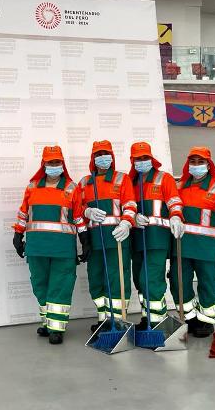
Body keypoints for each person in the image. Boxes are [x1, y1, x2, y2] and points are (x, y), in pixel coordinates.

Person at [12, 145, 90, 345]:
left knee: (60, 287)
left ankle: (57, 328)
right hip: (36, 248)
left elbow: (78, 217)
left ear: (62, 164)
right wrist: (17, 234)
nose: (54, 165)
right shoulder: (32, 187)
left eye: (57, 162)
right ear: (44, 164)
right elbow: (23, 213)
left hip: (62, 249)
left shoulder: (71, 188)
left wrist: (85, 239)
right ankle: (48, 323)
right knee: (40, 285)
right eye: (50, 162)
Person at [170, 147, 215, 338]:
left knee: (208, 285)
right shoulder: (179, 185)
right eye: (193, 162)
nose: (196, 165)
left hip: (208, 249)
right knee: (179, 283)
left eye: (200, 162)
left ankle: (206, 320)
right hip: (182, 247)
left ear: (209, 165)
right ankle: (189, 317)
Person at [78, 140, 136, 333]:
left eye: (106, 153)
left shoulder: (122, 179)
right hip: (94, 240)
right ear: (93, 158)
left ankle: (117, 321)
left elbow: (130, 205)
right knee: (95, 279)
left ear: (112, 157)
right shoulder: (85, 182)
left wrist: (126, 222)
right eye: (98, 154)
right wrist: (86, 211)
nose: (102, 157)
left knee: (117, 279)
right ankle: (103, 319)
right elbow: (76, 208)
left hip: (117, 239)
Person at [129, 142, 184, 329]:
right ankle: (148, 317)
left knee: (151, 279)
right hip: (137, 239)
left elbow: (174, 202)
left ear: (151, 159)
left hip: (157, 239)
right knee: (139, 280)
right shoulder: (131, 181)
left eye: (145, 157)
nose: (142, 161)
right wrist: (132, 218)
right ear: (132, 160)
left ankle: (157, 321)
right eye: (138, 158)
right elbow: (125, 206)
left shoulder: (164, 178)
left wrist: (176, 216)